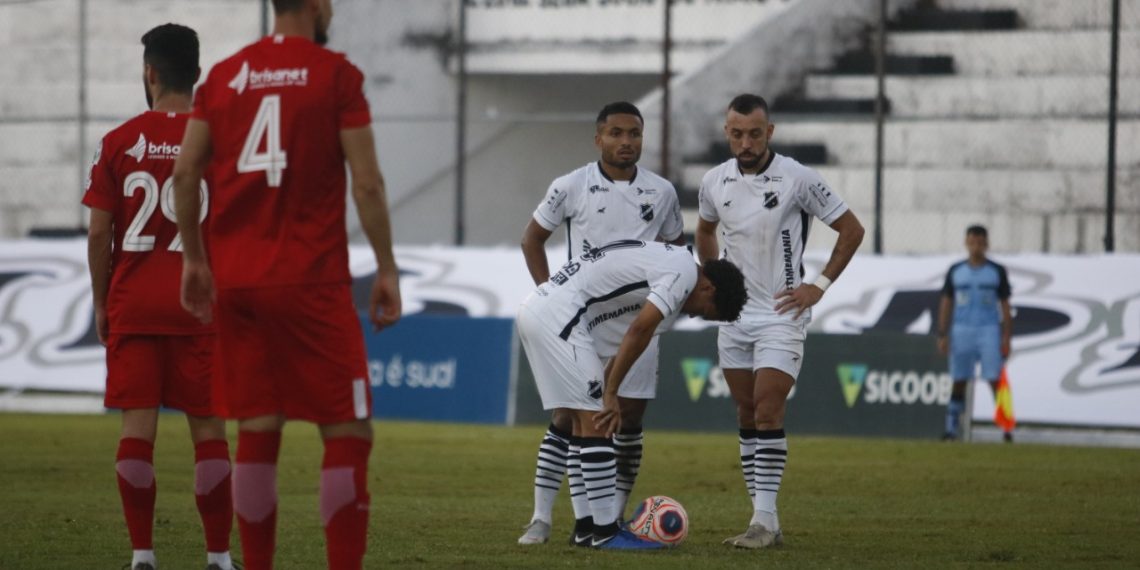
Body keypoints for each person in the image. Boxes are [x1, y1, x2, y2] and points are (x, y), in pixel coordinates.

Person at [171, 1, 402, 568]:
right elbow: (367, 184)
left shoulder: (223, 77)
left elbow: (184, 171)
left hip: (238, 283)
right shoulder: (336, 75)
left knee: (257, 429)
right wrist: (386, 266)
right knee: (348, 430)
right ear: (318, 4)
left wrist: (195, 259)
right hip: (311, 278)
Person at [83, 23, 235, 570]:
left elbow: (99, 233)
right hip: (201, 307)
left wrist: (102, 302)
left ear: (149, 73)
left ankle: (143, 556)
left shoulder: (118, 141)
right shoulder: (220, 142)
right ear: (197, 74)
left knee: (137, 433)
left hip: (135, 305)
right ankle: (218, 558)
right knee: (209, 432)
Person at [694, 94, 865, 549]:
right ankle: (763, 519)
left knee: (768, 409)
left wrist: (818, 286)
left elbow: (852, 230)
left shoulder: (798, 178)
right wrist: (714, 282)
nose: (745, 143)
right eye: (737, 134)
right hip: (734, 315)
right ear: (727, 133)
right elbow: (705, 230)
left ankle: (764, 522)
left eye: (754, 134)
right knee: (747, 413)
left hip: (781, 313)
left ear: (769, 131)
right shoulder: (714, 181)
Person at [518, 101, 686, 545]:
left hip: (639, 323)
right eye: (616, 133)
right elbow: (532, 240)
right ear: (598, 139)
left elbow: (675, 251)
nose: (626, 141)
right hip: (584, 323)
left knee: (628, 419)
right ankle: (542, 518)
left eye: (634, 133)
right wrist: (551, 296)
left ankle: (610, 517)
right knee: (570, 417)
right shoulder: (570, 186)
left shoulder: (663, 192)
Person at [517, 240, 747, 549]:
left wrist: (607, 386)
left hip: (544, 310)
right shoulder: (681, 274)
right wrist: (611, 393)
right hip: (559, 319)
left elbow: (631, 335)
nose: (694, 317)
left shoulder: (671, 264)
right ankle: (605, 533)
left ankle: (586, 529)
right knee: (597, 423)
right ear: (708, 288)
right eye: (705, 312)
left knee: (582, 421)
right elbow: (638, 330)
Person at [937, 225, 1013, 442]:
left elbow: (1005, 305)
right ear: (966, 243)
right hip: (962, 330)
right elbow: (946, 302)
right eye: (972, 242)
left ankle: (1006, 428)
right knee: (959, 379)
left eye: (980, 243)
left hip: (989, 330)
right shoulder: (956, 271)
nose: (976, 247)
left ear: (986, 244)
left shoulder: (996, 271)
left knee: (995, 379)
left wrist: (1006, 337)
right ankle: (951, 429)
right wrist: (942, 333)